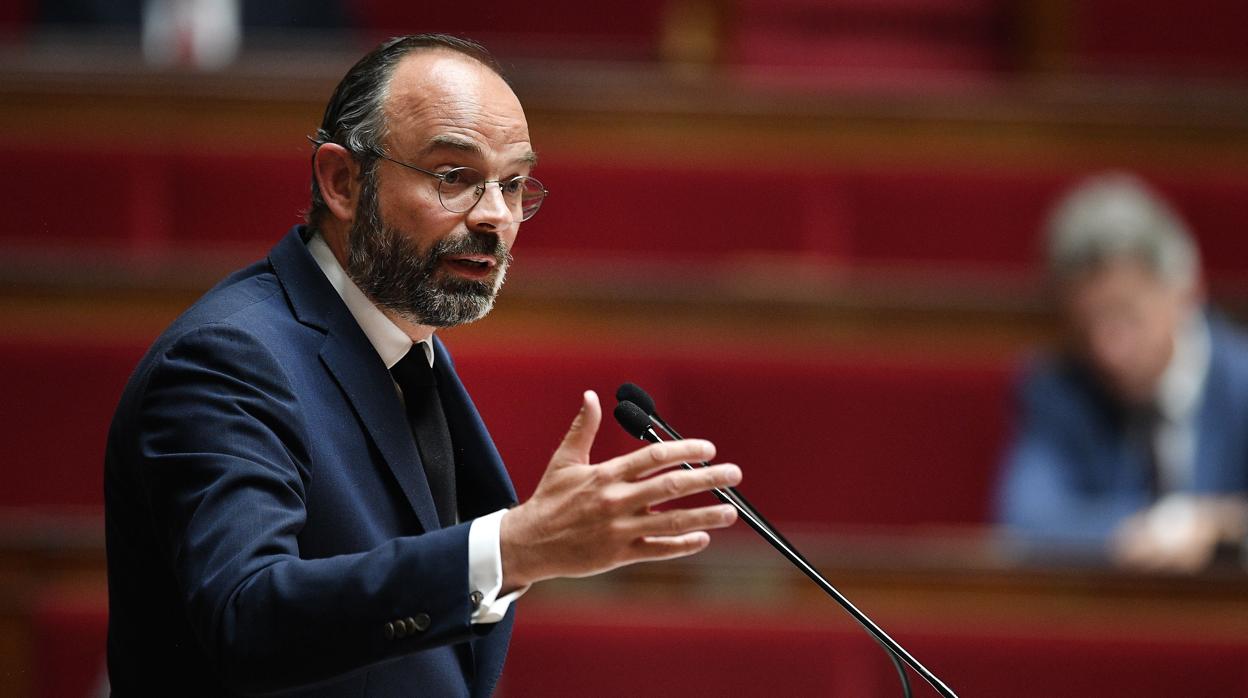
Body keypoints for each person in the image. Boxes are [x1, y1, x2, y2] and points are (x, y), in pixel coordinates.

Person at [104, 34, 741, 696]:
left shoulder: (404, 345)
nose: (495, 215)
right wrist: (510, 549)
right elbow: (247, 615)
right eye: (455, 178)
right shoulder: (228, 359)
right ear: (343, 181)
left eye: (514, 183)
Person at [995, 172, 1248, 572]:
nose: (1106, 349)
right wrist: (1160, 529)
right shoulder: (1058, 388)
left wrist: (1222, 526)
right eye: (1087, 325)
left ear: (1186, 290)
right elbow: (1027, 523)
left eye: (1127, 317)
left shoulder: (1241, 382)